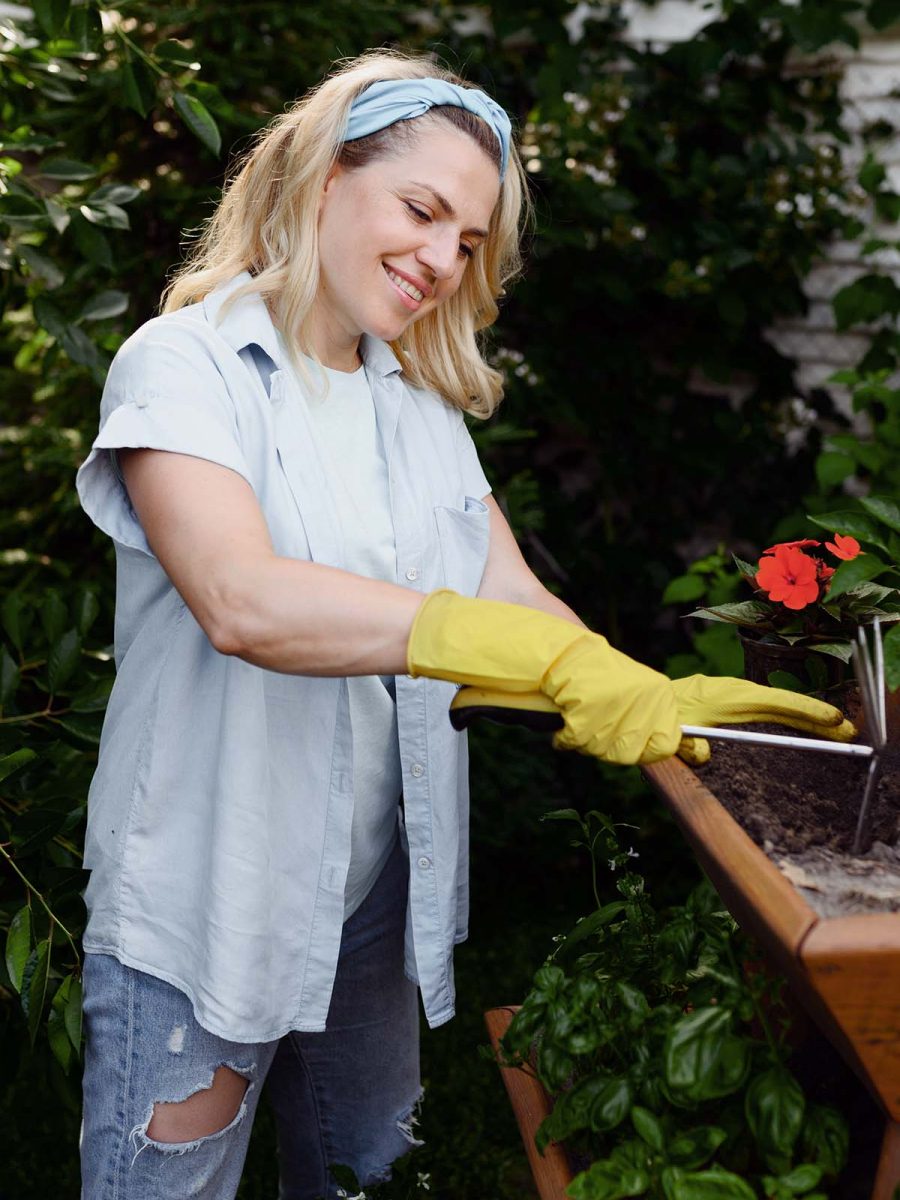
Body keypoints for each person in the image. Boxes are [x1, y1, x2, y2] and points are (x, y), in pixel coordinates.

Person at [74, 48, 854, 1200]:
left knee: (369, 1178)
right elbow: (242, 599)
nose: (442, 260)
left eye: (471, 241)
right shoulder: (188, 366)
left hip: (372, 899)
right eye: (423, 211)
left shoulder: (417, 404)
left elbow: (512, 596)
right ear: (326, 178)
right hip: (214, 893)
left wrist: (625, 682)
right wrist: (516, 650)